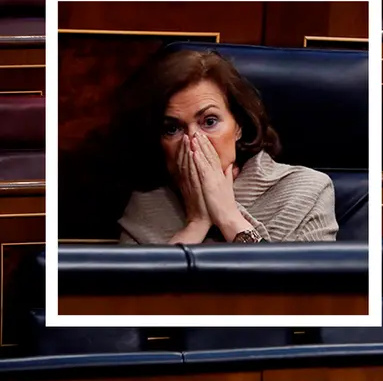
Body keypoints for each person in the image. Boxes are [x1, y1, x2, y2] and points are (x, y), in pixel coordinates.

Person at [114, 49, 338, 244]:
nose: (193, 142)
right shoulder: (146, 206)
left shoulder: (307, 190)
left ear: (239, 125)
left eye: (209, 122)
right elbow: (140, 293)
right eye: (173, 129)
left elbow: (305, 292)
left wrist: (229, 217)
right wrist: (195, 225)